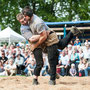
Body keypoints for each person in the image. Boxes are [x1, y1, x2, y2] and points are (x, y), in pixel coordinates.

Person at [16, 6, 82, 85]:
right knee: (58, 48)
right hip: (42, 39)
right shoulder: (25, 26)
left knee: (52, 58)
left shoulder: (37, 22)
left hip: (49, 37)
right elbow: (33, 39)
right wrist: (43, 35)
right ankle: (71, 32)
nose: (24, 20)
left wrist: (44, 35)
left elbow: (44, 36)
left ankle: (52, 80)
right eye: (22, 20)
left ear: (27, 16)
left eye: (24, 18)